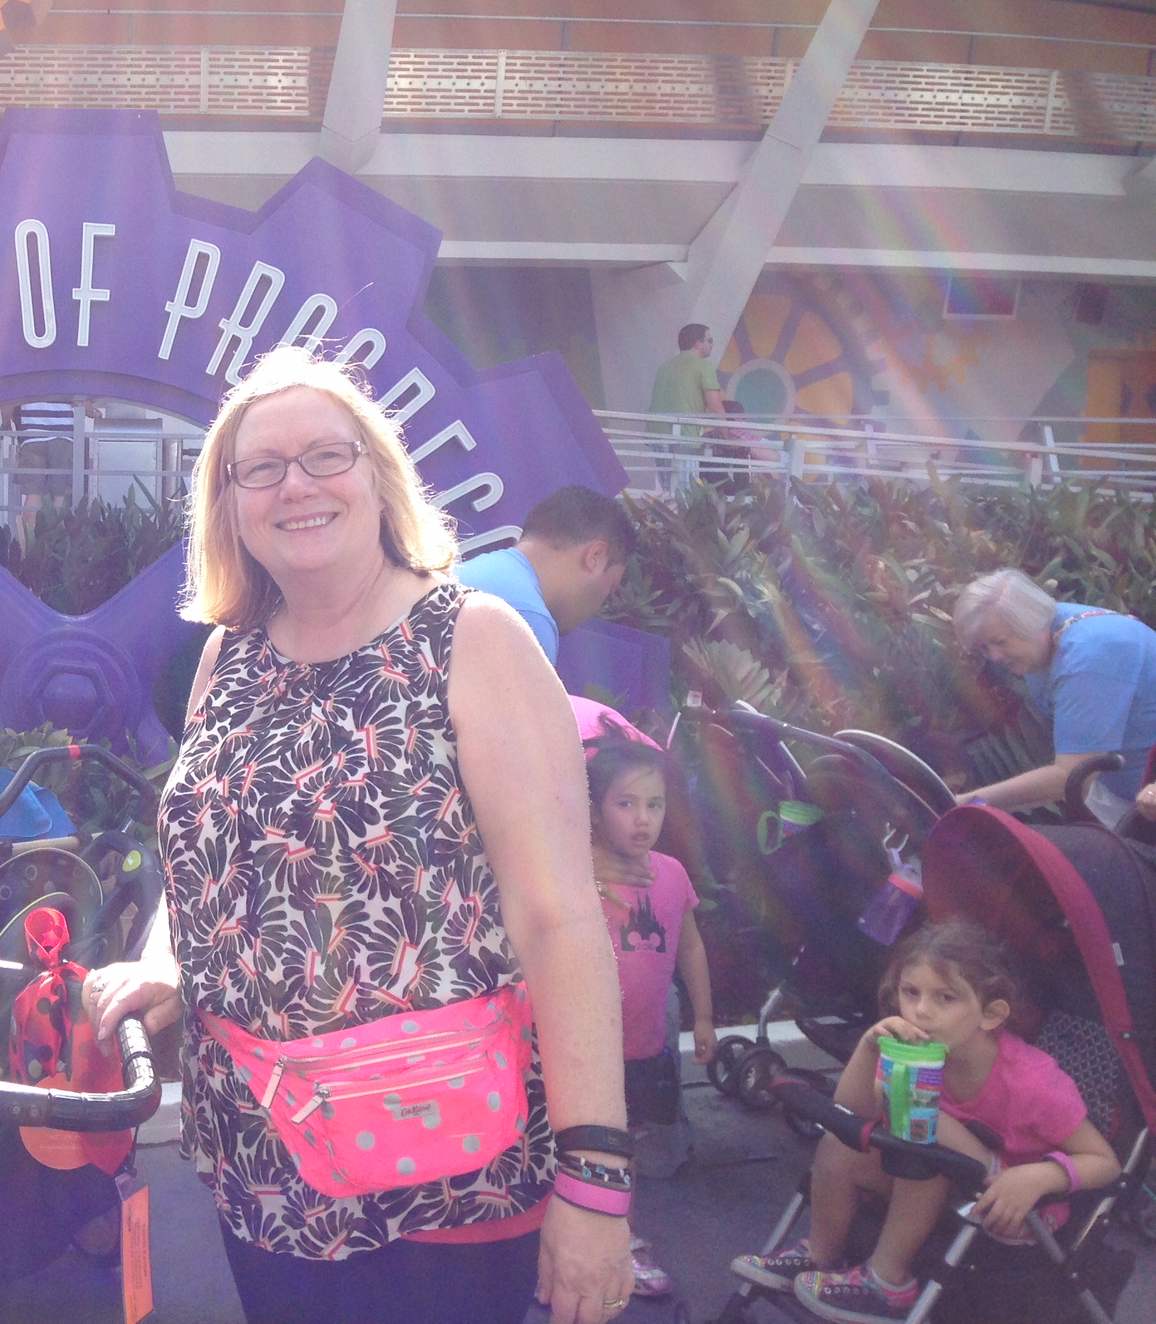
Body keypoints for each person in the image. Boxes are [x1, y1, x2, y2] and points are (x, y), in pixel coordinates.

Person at [83, 346, 633, 1324]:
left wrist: (595, 1179)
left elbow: (559, 919)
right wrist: (165, 958)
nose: (295, 485)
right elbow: (206, 854)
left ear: (377, 476)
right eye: (260, 468)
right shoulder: (227, 657)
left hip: (441, 1173)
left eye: (325, 456)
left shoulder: (474, 640)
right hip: (260, 1164)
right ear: (229, 505)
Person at [731, 922, 1119, 1323]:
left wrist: (1038, 1178)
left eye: (945, 997)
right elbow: (850, 1112)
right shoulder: (914, 1052)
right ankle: (820, 1254)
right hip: (938, 1176)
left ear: (990, 1015)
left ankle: (889, 1283)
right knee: (841, 1143)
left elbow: (1104, 1161)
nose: (920, 1011)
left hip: (1012, 1203)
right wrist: (868, 1047)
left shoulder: (1031, 1083)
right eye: (910, 992)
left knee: (923, 1131)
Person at [584, 729, 715, 1296]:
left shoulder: (673, 875)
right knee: (571, 1147)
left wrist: (704, 1017)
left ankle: (622, 1239)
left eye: (654, 804)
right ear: (595, 811)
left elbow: (691, 947)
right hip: (577, 1048)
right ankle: (563, 1246)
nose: (643, 819)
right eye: (626, 803)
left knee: (622, 1149)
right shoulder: (574, 872)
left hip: (640, 1046)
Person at [953, 568, 1156, 825]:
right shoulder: (1047, 634)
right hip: (1123, 785)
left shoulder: (1087, 658)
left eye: (1000, 642)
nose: (994, 656)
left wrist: (964, 802)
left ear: (1031, 622)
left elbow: (1072, 778)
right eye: (984, 647)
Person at [455, 486, 636, 667]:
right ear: (595, 555)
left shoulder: (466, 572)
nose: (601, 604)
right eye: (611, 588)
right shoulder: (526, 619)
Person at [649, 323, 726, 423]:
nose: (712, 345)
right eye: (710, 341)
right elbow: (715, 406)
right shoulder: (703, 365)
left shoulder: (664, 367)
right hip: (683, 430)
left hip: (654, 430)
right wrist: (726, 432)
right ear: (698, 344)